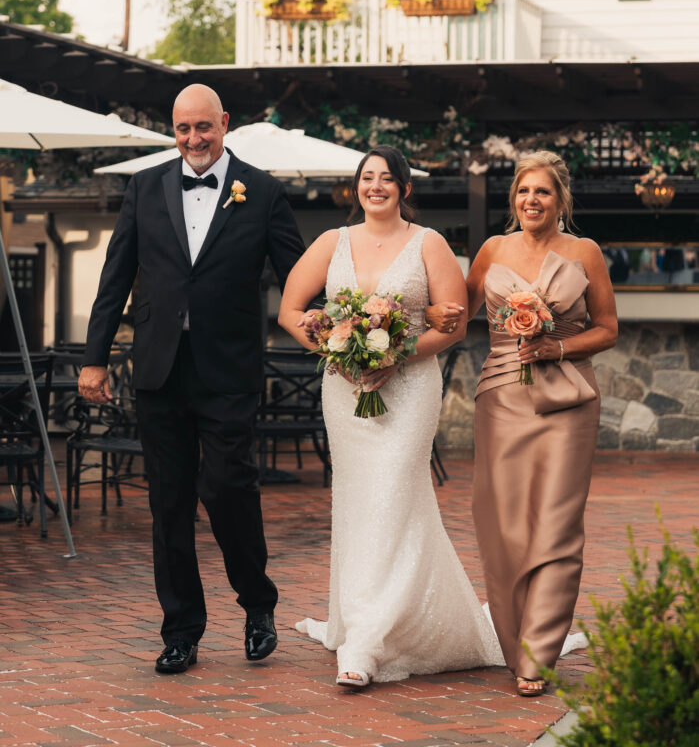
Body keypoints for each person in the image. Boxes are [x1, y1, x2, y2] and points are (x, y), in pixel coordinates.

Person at [78, 84, 305, 674]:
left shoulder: (263, 190)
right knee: (168, 503)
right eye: (182, 129)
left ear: (224, 123)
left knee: (229, 488)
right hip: (158, 368)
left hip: (228, 369)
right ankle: (181, 630)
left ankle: (258, 606)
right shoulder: (145, 187)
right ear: (172, 130)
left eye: (203, 127)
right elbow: (116, 274)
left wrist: (339, 329)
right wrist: (94, 357)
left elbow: (298, 279)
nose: (193, 140)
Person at [278, 145, 504, 688]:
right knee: (358, 501)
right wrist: (333, 351)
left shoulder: (429, 244)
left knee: (397, 493)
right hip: (345, 392)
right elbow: (289, 310)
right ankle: (360, 619)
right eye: (366, 178)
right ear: (355, 187)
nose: (374, 186)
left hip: (408, 391)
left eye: (386, 179)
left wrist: (395, 357)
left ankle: (369, 640)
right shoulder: (332, 242)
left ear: (405, 188)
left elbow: (451, 326)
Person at [465, 150, 617, 696]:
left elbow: (608, 329)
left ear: (560, 201)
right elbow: (456, 315)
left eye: (543, 192)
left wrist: (557, 346)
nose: (532, 200)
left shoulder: (585, 253)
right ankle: (513, 643)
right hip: (501, 398)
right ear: (514, 200)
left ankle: (538, 656)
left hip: (569, 401)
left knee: (555, 524)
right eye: (524, 191)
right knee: (502, 526)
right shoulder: (491, 251)